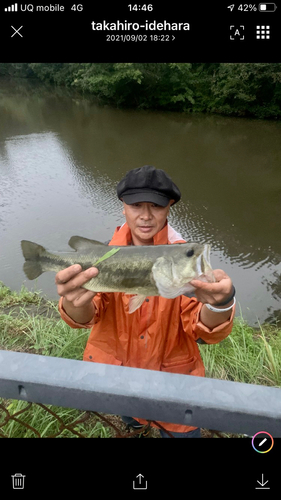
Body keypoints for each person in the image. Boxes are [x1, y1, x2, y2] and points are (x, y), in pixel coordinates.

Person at [56, 165, 235, 438]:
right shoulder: (103, 256)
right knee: (131, 418)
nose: (146, 215)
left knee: (182, 432)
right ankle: (137, 424)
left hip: (175, 385)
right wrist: (74, 301)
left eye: (156, 206)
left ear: (169, 207)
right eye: (136, 205)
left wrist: (220, 304)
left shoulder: (182, 260)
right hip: (120, 377)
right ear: (123, 206)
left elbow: (201, 329)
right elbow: (86, 317)